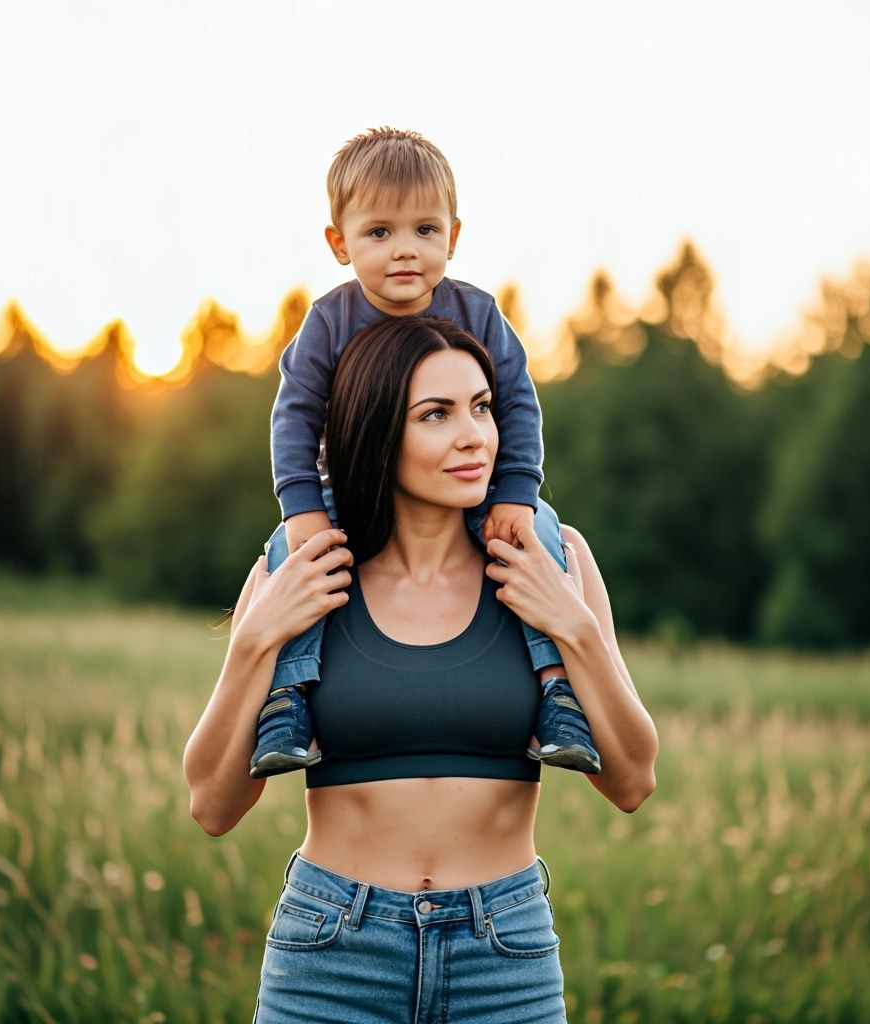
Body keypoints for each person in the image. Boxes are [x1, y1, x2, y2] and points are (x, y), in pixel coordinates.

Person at [183, 315, 659, 1023]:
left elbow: (632, 781)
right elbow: (213, 806)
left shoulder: (553, 562)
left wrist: (572, 624)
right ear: (376, 433)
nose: (474, 437)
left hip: (505, 957)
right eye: (436, 414)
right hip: (331, 954)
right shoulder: (301, 572)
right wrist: (256, 639)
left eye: (482, 407)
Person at [251, 126, 601, 780]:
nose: (405, 249)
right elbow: (294, 414)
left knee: (544, 537)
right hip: (348, 492)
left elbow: (517, 403)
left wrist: (516, 493)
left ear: (453, 236)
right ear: (339, 243)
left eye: (425, 229)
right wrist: (300, 507)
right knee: (291, 555)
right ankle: (287, 698)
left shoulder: (477, 313)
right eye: (379, 232)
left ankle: (558, 691)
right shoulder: (329, 322)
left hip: (472, 488)